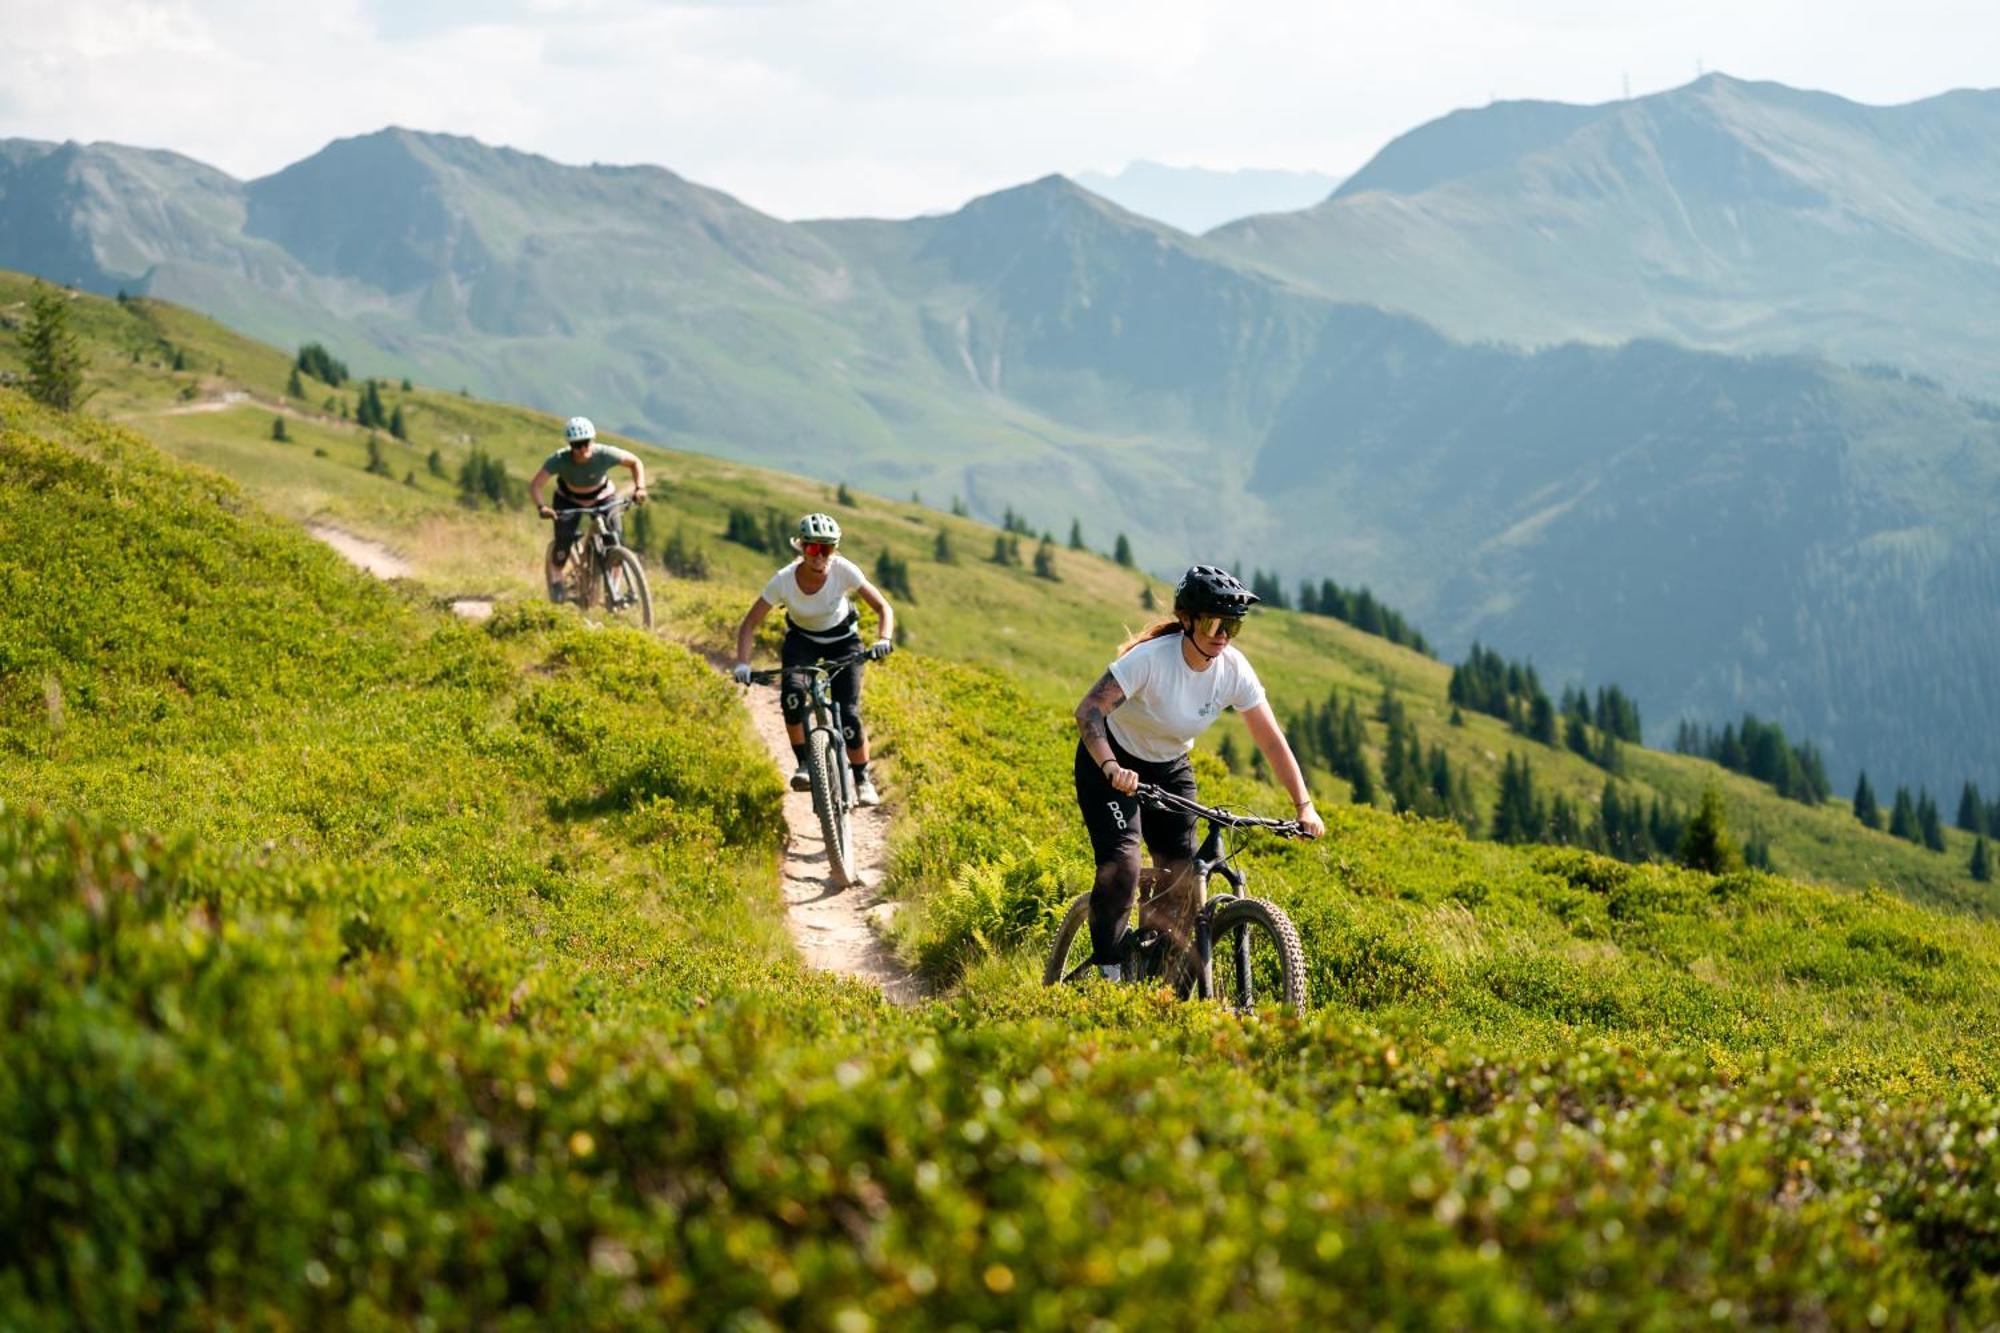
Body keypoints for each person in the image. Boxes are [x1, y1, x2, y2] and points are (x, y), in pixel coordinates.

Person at [1072, 564, 1324, 978]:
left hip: (1169, 766)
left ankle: (1151, 974)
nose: (1222, 636)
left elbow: (1272, 740)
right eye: (1212, 623)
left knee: (1182, 878)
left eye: (1233, 627)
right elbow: (1089, 712)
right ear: (1186, 620)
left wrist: (1304, 806)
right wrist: (1111, 767)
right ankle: (1109, 970)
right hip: (1111, 760)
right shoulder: (1151, 659)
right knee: (1124, 862)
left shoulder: (1233, 669)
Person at [731, 513, 896, 806]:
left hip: (844, 642)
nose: (820, 556)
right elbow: (749, 624)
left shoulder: (844, 570)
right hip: (802, 641)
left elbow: (882, 607)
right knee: (792, 697)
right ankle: (806, 763)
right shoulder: (783, 580)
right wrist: (743, 663)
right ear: (802, 548)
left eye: (827, 548)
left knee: (849, 715)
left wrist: (883, 639)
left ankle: (861, 779)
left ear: (834, 550)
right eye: (812, 549)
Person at [528, 416, 648, 602]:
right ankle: (557, 582)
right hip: (568, 500)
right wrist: (542, 507)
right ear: (570, 445)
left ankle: (613, 591)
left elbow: (635, 462)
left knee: (614, 542)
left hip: (603, 497)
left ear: (592, 440)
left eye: (586, 443)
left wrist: (640, 487)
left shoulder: (604, 454)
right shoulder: (559, 459)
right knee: (563, 544)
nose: (583, 449)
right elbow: (536, 485)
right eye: (577, 445)